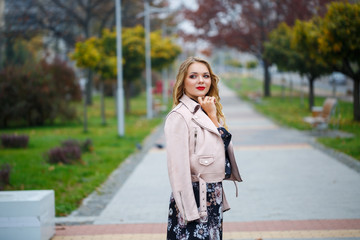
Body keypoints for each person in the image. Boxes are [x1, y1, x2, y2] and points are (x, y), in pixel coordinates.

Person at [164, 56, 242, 240]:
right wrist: (189, 212)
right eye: (193, 76)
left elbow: (224, 150)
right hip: (192, 198)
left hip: (213, 195)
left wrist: (213, 116)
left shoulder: (208, 110)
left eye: (206, 76)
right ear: (183, 82)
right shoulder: (179, 116)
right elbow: (178, 170)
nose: (201, 80)